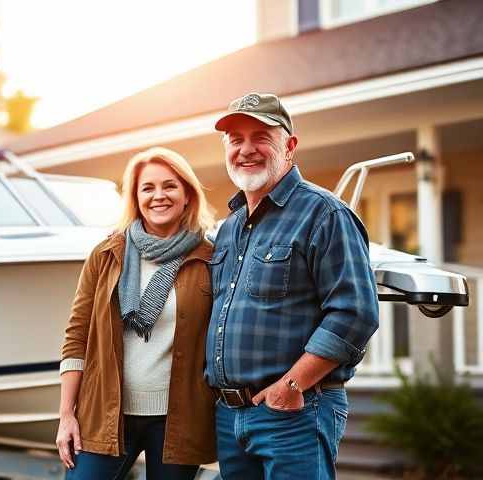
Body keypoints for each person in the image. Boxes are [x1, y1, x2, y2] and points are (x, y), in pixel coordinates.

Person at [205, 92, 379, 480]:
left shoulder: (325, 213)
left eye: (261, 136)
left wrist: (290, 385)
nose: (246, 149)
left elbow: (355, 314)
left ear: (290, 146)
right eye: (236, 140)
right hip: (231, 417)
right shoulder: (229, 228)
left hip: (296, 410)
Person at [56, 147, 217, 479]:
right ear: (135, 197)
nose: (159, 196)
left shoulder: (209, 257)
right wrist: (66, 415)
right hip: (105, 414)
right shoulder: (107, 254)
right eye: (148, 188)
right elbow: (77, 336)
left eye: (170, 186)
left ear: (187, 194)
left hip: (179, 419)